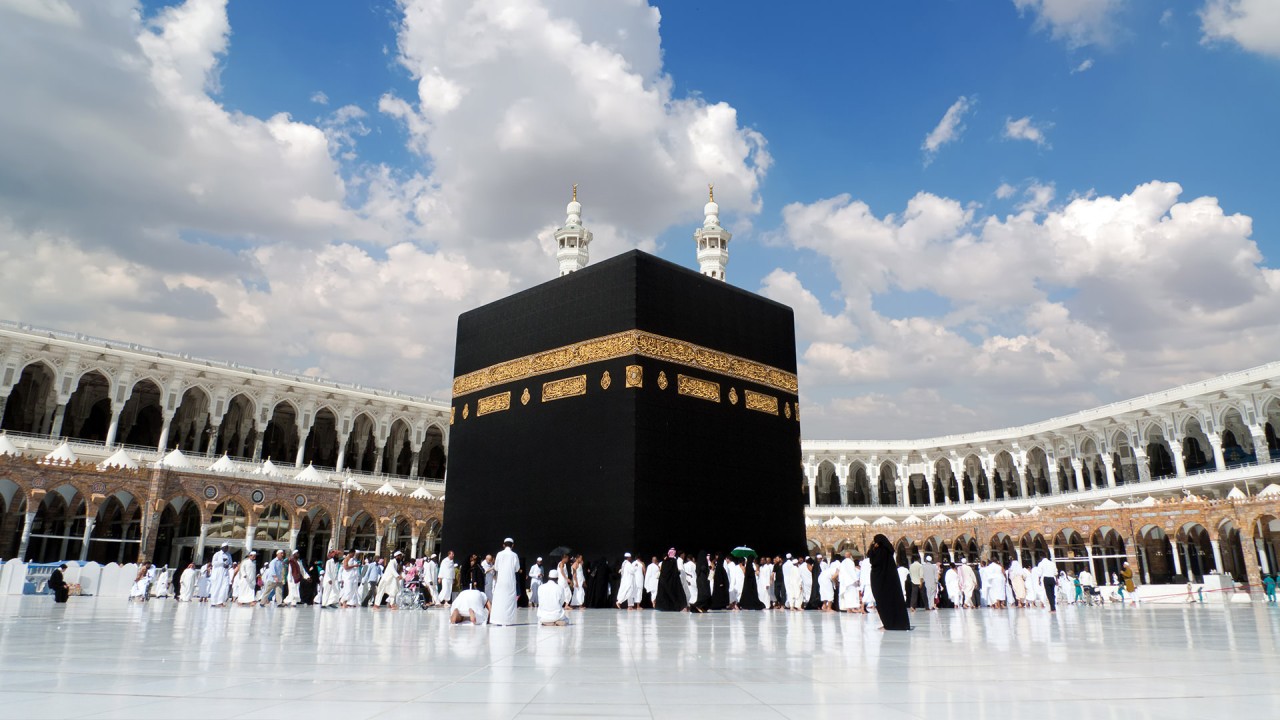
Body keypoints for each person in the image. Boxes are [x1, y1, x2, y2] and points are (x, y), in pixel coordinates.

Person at [868, 535, 910, 631]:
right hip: (890, 583)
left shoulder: (880, 551)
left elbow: (873, 562)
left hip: (881, 583)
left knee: (883, 603)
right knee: (893, 602)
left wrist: (871, 549)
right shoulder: (888, 551)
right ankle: (896, 623)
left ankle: (888, 624)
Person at [491, 538, 520, 625]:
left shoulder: (499, 554)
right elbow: (517, 568)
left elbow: (496, 567)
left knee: (499, 599)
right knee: (509, 600)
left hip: (501, 581)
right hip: (510, 580)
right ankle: (508, 621)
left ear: (503, 545)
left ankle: (497, 620)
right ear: (513, 545)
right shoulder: (514, 555)